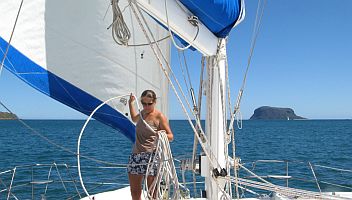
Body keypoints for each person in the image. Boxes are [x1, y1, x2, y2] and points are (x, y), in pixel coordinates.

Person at [127, 89, 173, 200]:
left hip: (151, 157)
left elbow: (171, 136)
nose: (146, 106)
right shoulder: (142, 114)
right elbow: (134, 118)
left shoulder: (159, 117)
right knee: (135, 191)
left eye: (149, 104)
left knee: (152, 192)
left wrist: (161, 135)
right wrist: (130, 103)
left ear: (155, 102)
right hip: (136, 156)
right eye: (143, 103)